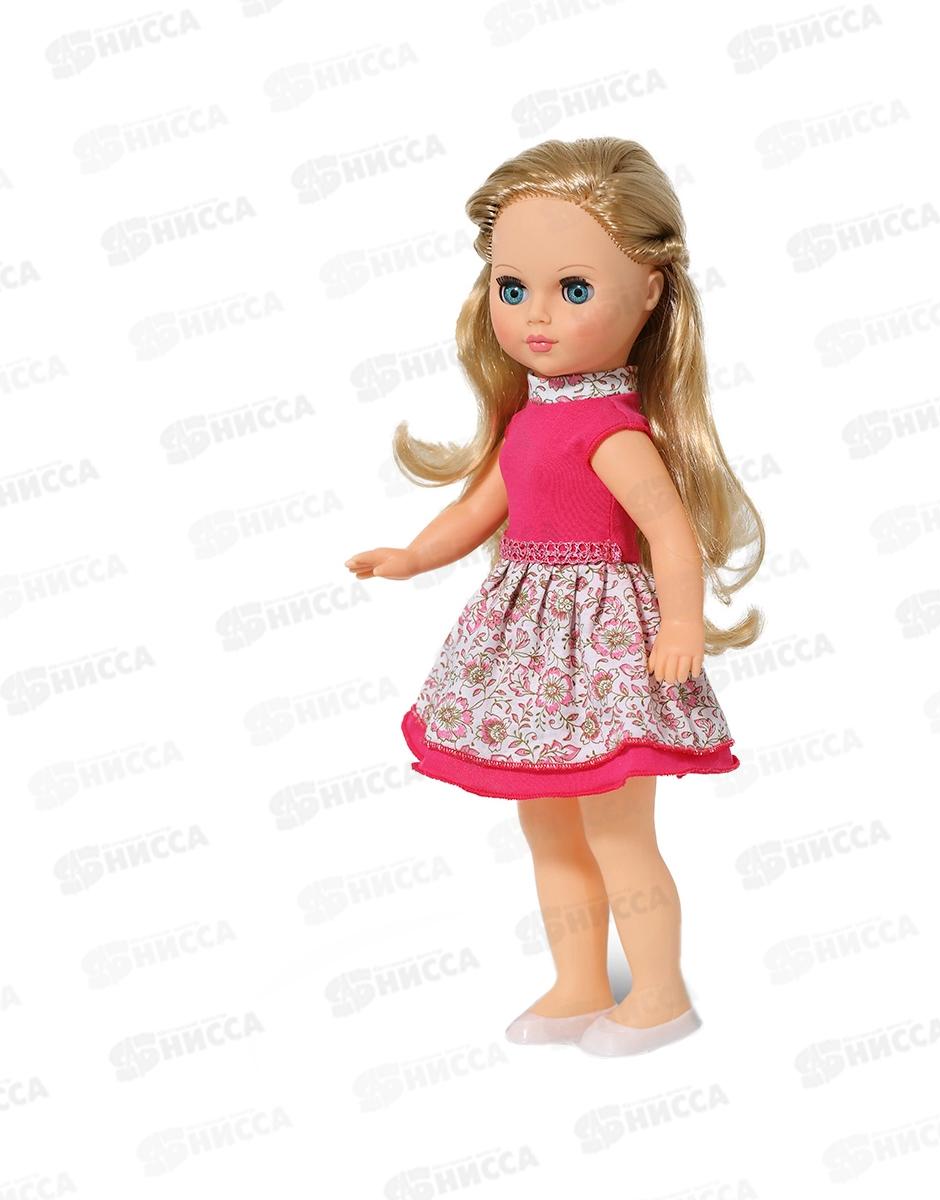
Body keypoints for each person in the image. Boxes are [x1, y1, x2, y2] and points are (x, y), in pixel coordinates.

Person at [345, 137, 764, 1056]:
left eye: (573, 289)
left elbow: (668, 533)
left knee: (619, 830)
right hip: (529, 653)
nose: (536, 315)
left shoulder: (614, 432)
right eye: (513, 287)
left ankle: (659, 994)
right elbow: (479, 508)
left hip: (606, 651)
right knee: (547, 829)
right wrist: (413, 557)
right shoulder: (531, 422)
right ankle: (579, 981)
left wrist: (683, 623)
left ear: (649, 291)